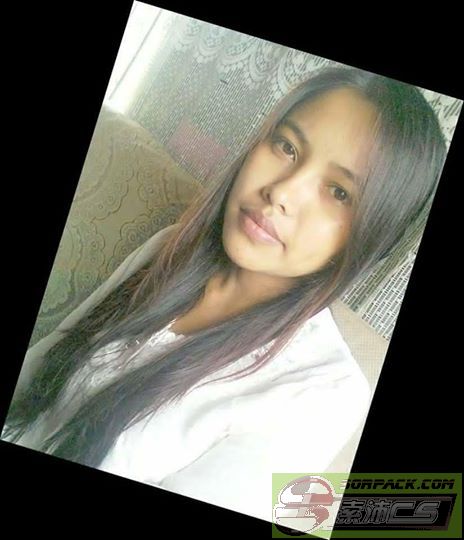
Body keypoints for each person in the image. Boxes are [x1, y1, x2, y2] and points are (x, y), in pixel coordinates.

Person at [1, 66, 446, 524]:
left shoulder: (322, 394)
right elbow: (39, 370)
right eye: (287, 147)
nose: (281, 192)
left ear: (373, 235)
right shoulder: (170, 249)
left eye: (338, 191)